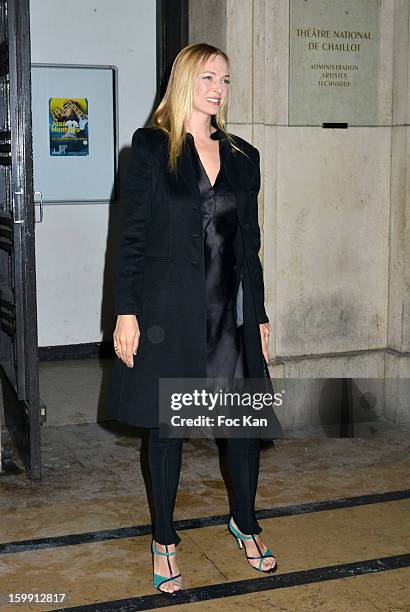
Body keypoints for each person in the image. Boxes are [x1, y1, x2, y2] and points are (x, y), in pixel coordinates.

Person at [107, 42, 280, 596]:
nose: (218, 89)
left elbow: (249, 245)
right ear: (184, 79)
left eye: (225, 80)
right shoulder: (151, 149)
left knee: (242, 426)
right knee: (168, 430)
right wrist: (125, 312)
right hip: (169, 313)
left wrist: (259, 314)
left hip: (230, 310)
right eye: (208, 77)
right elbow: (129, 241)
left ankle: (245, 522)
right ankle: (163, 538)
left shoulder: (243, 155)